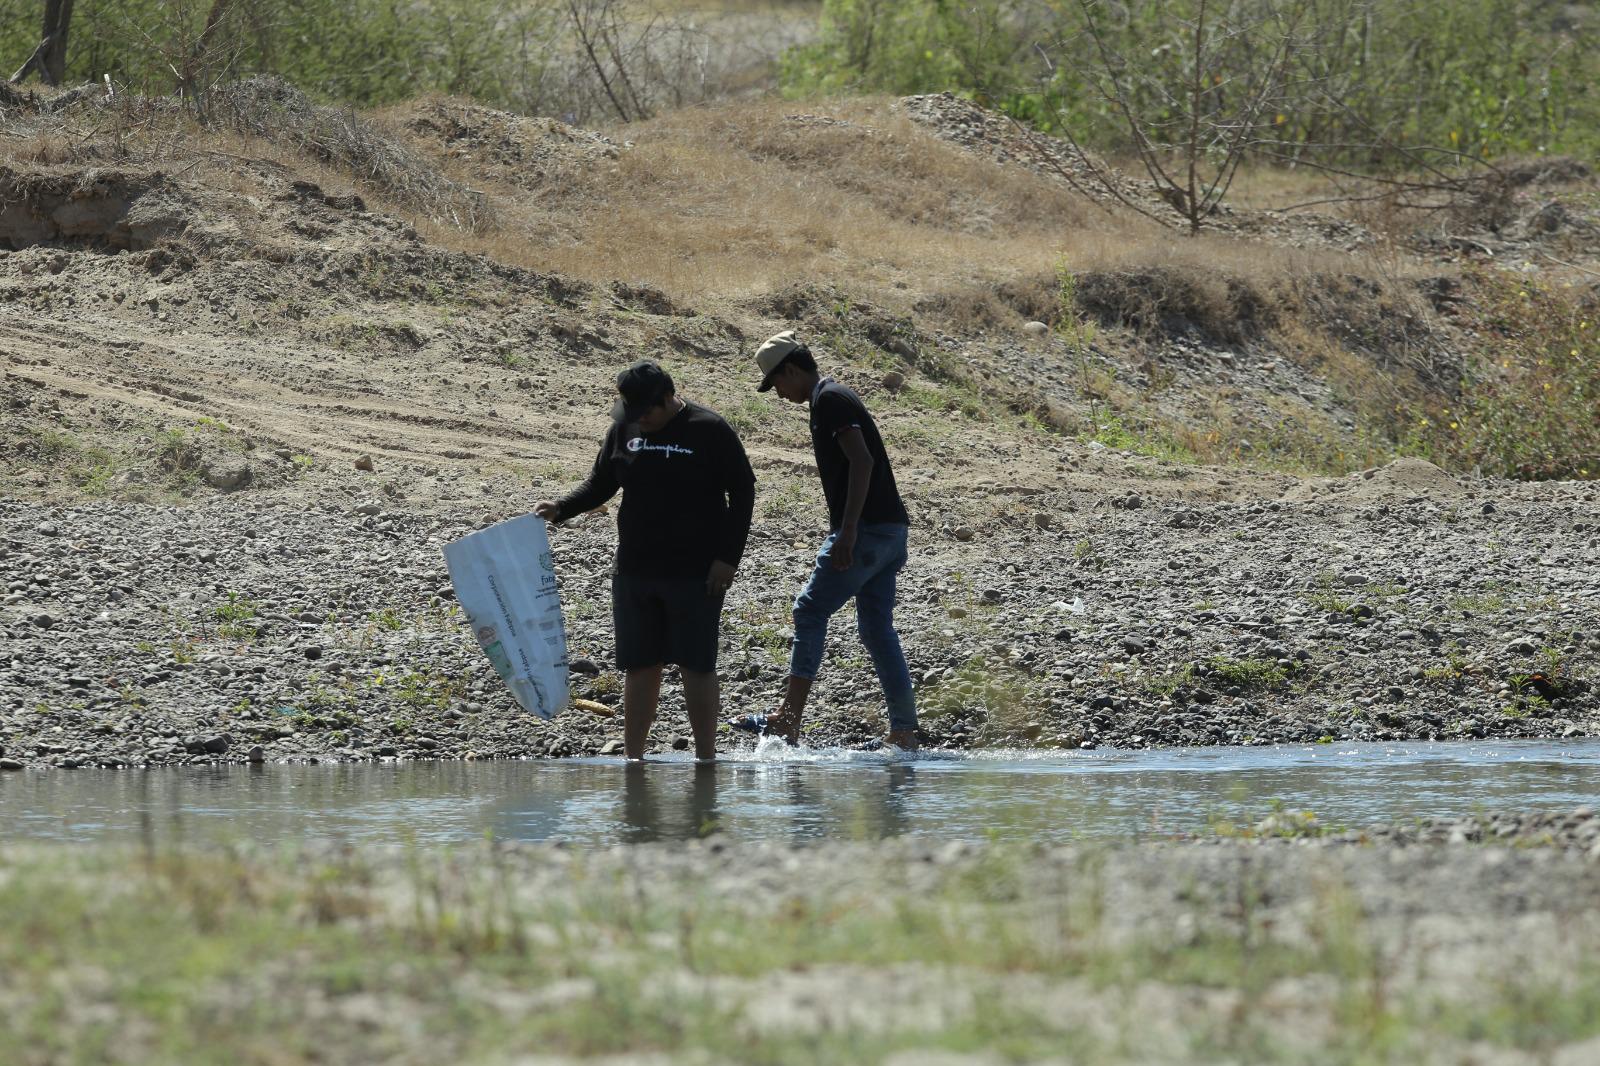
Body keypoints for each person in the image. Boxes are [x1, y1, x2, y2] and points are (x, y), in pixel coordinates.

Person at [535, 360, 755, 762]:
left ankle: (706, 759)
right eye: (632, 413)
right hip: (635, 570)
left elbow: (743, 495)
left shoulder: (709, 430)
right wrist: (561, 507)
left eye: (646, 413)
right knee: (639, 666)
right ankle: (633, 760)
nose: (640, 421)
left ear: (669, 398)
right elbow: (601, 482)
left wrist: (728, 559)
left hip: (696, 573)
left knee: (696, 664)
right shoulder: (624, 428)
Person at [730, 331, 920, 750]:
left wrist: (848, 531)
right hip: (890, 531)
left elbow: (862, 460)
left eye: (776, 383)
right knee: (876, 630)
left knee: (810, 610)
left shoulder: (830, 400)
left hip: (868, 531)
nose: (777, 393)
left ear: (792, 370)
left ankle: (788, 720)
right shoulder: (833, 396)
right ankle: (903, 732)